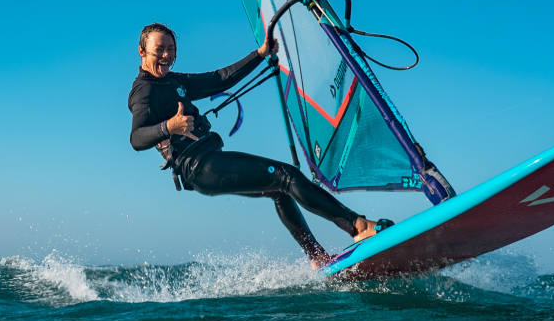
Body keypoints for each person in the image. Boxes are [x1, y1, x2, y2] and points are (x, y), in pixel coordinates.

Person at [128, 23, 390, 268]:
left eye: (171, 50)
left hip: (208, 160)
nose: (166, 55)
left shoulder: (174, 82)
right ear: (142, 51)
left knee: (278, 189)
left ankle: (317, 257)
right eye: (159, 49)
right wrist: (168, 127)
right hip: (199, 166)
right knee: (286, 176)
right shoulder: (144, 91)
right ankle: (357, 226)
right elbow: (136, 138)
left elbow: (220, 78)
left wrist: (260, 53)